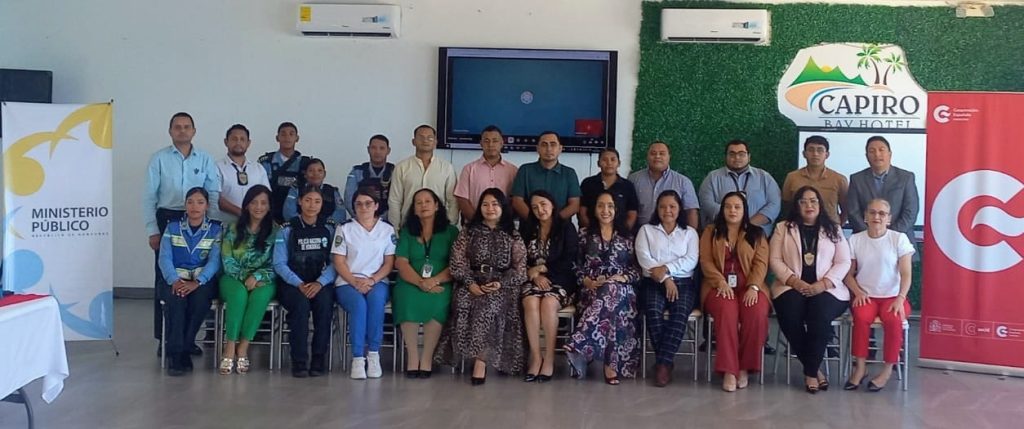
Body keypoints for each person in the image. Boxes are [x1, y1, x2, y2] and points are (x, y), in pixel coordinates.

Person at [144, 112, 221, 353]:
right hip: (168, 218)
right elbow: (149, 197)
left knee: (197, 281)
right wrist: (152, 229)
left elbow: (213, 194)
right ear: (170, 131)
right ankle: (165, 339)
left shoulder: (205, 159)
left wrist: (212, 225)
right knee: (167, 281)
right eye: (177, 127)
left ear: (194, 131)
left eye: (187, 127)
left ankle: (187, 339)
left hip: (199, 220)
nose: (182, 130)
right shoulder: (159, 159)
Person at [437, 188, 527, 385]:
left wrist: (500, 283)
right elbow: (457, 262)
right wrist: (470, 283)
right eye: (485, 204)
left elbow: (520, 270)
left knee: (489, 305)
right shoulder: (468, 231)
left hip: (501, 285)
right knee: (463, 301)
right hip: (471, 280)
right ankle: (466, 354)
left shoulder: (512, 234)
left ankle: (480, 361)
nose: (490, 208)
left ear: (503, 207)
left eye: (495, 204)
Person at [770, 186, 852, 394]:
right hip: (791, 285)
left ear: (820, 204)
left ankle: (810, 372)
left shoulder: (834, 229)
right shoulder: (783, 228)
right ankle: (814, 371)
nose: (809, 205)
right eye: (803, 201)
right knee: (789, 315)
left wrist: (823, 284)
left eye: (813, 201)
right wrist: (794, 281)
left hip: (827, 288)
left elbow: (843, 262)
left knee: (819, 314)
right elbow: (775, 260)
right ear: (796, 205)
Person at [565, 191, 641, 385]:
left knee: (613, 290)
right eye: (601, 205)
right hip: (591, 291)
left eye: (610, 206)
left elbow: (638, 269)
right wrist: (586, 281)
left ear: (616, 209)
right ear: (594, 209)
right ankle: (610, 366)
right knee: (611, 303)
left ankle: (579, 341)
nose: (605, 210)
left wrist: (623, 277)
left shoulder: (627, 237)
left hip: (623, 290)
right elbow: (573, 265)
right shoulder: (584, 234)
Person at [699, 191, 771, 392]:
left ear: (744, 210)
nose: (732, 210)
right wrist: (720, 282)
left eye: (737, 207)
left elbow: (761, 263)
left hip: (750, 285)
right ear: (722, 209)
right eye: (728, 206)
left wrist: (753, 287)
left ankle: (745, 368)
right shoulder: (711, 231)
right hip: (718, 286)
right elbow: (705, 261)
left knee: (756, 311)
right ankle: (729, 370)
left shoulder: (756, 233)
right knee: (727, 311)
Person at [843, 198, 915, 392]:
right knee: (860, 317)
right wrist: (857, 291)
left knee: (894, 319)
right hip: (865, 295)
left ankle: (887, 370)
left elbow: (906, 274)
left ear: (889, 218)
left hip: (894, 296)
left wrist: (900, 298)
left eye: (882, 213)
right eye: (872, 212)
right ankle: (860, 368)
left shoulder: (899, 239)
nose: (877, 217)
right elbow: (848, 274)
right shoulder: (855, 240)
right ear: (865, 216)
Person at [392, 189, 459, 378]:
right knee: (406, 300)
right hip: (410, 281)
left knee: (438, 302)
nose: (423, 205)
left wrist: (434, 280)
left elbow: (456, 264)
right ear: (413, 209)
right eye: (418, 202)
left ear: (437, 206)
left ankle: (427, 358)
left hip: (442, 281)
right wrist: (420, 282)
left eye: (428, 201)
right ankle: (413, 358)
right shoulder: (407, 232)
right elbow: (401, 262)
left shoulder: (451, 232)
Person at [635, 190, 699, 387]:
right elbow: (644, 258)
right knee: (653, 311)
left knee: (679, 313)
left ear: (680, 209)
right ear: (657, 209)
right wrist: (665, 278)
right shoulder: (646, 230)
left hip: (683, 283)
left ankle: (662, 364)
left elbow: (691, 260)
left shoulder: (689, 233)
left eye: (672, 206)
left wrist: (667, 269)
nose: (667, 210)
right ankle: (666, 363)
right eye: (662, 206)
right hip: (653, 282)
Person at [273, 184, 337, 378]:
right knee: (300, 307)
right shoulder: (287, 229)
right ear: (300, 201)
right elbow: (279, 263)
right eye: (308, 200)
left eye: (317, 201)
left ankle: (318, 359)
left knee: (324, 306)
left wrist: (320, 283)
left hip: (321, 282)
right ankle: (299, 361)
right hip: (293, 283)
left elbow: (337, 262)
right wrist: (299, 284)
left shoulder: (330, 228)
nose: (312, 205)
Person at [157, 187, 223, 376]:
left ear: (207, 206)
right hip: (175, 280)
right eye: (190, 202)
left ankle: (185, 347)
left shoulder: (216, 229)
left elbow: (214, 261)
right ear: (185, 205)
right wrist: (174, 280)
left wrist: (198, 281)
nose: (195, 206)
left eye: (200, 202)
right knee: (176, 303)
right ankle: (177, 354)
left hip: (201, 282)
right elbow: (164, 258)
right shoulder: (172, 227)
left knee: (200, 302)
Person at [331, 190, 396, 380]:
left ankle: (373, 354)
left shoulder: (387, 229)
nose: (363, 207)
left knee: (376, 302)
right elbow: (339, 262)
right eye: (358, 204)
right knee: (359, 305)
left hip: (377, 280)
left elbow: (389, 263)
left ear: (376, 206)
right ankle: (358, 358)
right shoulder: (344, 228)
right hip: (348, 281)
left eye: (368, 203)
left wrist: (373, 280)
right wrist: (355, 282)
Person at [519, 190, 579, 383]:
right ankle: (536, 357)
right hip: (532, 279)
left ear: (552, 205)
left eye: (543, 204)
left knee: (548, 303)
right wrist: (533, 273)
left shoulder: (566, 227)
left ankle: (550, 358)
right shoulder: (527, 228)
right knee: (530, 302)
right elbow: (518, 257)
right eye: (535, 207)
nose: (540, 210)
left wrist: (543, 269)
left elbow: (571, 259)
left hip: (561, 279)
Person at [218, 185, 277, 375]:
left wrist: (257, 277)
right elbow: (227, 260)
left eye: (263, 203)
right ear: (247, 205)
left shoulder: (276, 231)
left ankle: (243, 346)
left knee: (260, 297)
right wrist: (246, 279)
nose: (259, 207)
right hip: (233, 278)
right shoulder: (233, 228)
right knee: (238, 294)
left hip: (264, 279)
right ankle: (229, 346)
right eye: (254, 202)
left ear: (269, 206)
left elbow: (277, 264)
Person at [698, 139, 781, 236]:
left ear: (749, 157)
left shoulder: (764, 177)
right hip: (722, 236)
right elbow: (707, 203)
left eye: (741, 154)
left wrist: (748, 225)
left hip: (757, 236)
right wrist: (733, 225)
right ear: (726, 157)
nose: (737, 157)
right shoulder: (712, 178)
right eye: (732, 154)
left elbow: (774, 205)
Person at [846, 136, 919, 239]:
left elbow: (910, 212)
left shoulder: (906, 178)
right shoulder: (857, 179)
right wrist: (871, 235)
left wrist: (888, 237)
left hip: (899, 238)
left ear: (890, 154)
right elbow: (853, 212)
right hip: (865, 239)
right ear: (866, 156)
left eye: (881, 150)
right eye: (872, 151)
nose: (877, 154)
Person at [388, 125, 459, 228]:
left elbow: (453, 200)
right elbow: (395, 200)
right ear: (413, 141)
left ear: (435, 142)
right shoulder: (401, 167)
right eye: (421, 137)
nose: (425, 141)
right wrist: (395, 227)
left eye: (430, 138)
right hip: (408, 225)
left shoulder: (447, 168)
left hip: (439, 225)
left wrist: (450, 223)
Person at [510, 131, 581, 220]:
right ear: (538, 149)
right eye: (544, 145)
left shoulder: (569, 173)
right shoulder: (525, 170)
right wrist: (534, 222)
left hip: (560, 225)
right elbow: (517, 201)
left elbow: (574, 205)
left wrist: (553, 222)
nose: (549, 149)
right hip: (529, 224)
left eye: (553, 144)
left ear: (560, 149)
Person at [628, 141, 699, 228]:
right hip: (639, 231)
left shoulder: (683, 182)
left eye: (662, 153)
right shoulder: (633, 179)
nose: (657, 156)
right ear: (647, 156)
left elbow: (691, 212)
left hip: (673, 233)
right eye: (653, 153)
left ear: (669, 156)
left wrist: (691, 234)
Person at [454, 125, 518, 222]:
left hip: (504, 225)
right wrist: (477, 223)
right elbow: (462, 199)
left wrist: (504, 222)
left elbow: (515, 200)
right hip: (474, 224)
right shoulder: (469, 169)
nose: (490, 144)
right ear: (481, 144)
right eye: (486, 141)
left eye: (495, 141)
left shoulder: (513, 170)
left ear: (501, 143)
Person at [781, 135, 847, 224]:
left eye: (820, 150)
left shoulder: (839, 179)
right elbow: (786, 206)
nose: (815, 154)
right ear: (804, 154)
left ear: (827, 155)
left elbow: (846, 209)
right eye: (811, 150)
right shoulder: (792, 177)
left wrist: (836, 227)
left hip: (830, 228)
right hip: (798, 227)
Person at [216, 124, 270, 224]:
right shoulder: (216, 167)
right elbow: (216, 198)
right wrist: (242, 213)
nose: (238, 142)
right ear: (226, 142)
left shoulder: (258, 168)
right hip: (226, 226)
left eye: (242, 139)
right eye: (234, 139)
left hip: (254, 226)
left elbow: (266, 197)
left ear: (248, 143)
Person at [259, 122, 311, 224]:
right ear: (277, 138)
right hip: (269, 216)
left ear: (297, 138)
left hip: (297, 218)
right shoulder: (266, 162)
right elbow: (259, 191)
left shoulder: (305, 163)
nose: (287, 137)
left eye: (291, 134)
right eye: (283, 134)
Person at [580, 147, 639, 231]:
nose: (609, 163)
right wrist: (592, 232)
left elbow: (632, 213)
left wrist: (623, 233)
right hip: (591, 233)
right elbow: (582, 212)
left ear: (619, 163)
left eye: (613, 159)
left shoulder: (627, 186)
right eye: (604, 160)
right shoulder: (588, 183)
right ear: (598, 163)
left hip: (620, 234)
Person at [283, 158, 347, 225]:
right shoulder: (296, 190)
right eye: (311, 171)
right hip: (299, 228)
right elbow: (288, 212)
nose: (316, 174)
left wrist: (327, 225)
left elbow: (340, 212)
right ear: (305, 174)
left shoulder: (332, 191)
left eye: (319, 171)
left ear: (324, 174)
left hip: (327, 228)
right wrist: (302, 224)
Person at [343, 134, 394, 218]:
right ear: (368, 149)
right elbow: (349, 200)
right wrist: (364, 219)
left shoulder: (395, 172)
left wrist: (380, 221)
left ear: (388, 150)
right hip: (360, 220)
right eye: (373, 148)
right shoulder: (357, 172)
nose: (377, 152)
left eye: (382, 148)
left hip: (388, 221)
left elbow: (398, 202)